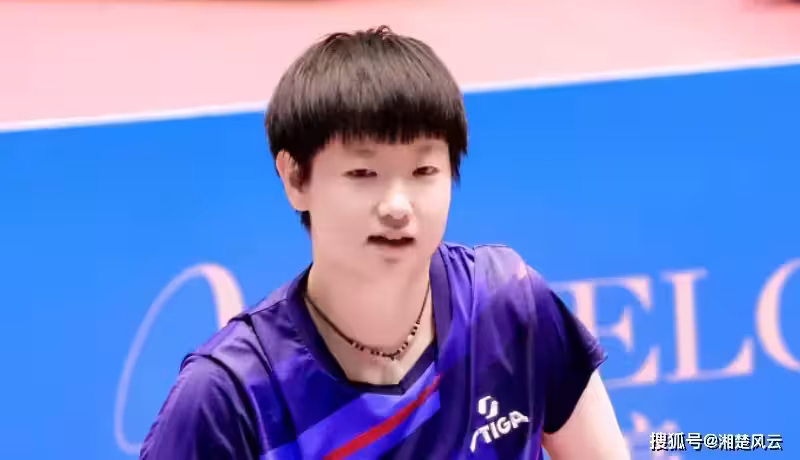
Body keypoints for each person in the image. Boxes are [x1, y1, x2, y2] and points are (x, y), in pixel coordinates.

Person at [140, 25, 629, 459]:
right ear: (295, 178)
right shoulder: (231, 395)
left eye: (423, 171)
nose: (398, 205)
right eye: (363, 173)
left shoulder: (507, 305)